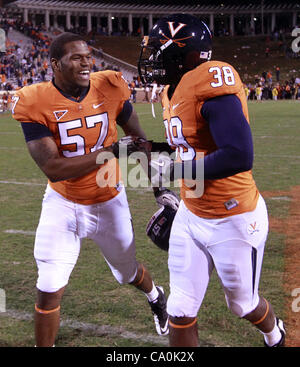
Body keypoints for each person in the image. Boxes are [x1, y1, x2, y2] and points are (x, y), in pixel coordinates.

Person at [12, 32, 170, 347]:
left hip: (109, 200)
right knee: (49, 285)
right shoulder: (34, 100)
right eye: (76, 57)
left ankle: (156, 296)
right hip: (63, 201)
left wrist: (160, 189)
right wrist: (109, 152)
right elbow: (53, 168)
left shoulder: (109, 86)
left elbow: (139, 142)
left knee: (126, 274)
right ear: (55, 64)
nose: (86, 63)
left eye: (88, 56)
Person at [138, 14, 286, 347]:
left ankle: (274, 333)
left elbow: (237, 154)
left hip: (233, 217)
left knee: (242, 304)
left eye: (158, 51)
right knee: (179, 308)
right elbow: (190, 146)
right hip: (192, 214)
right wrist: (153, 151)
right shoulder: (169, 92)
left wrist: (174, 173)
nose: (152, 59)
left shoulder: (210, 81)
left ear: (184, 54)